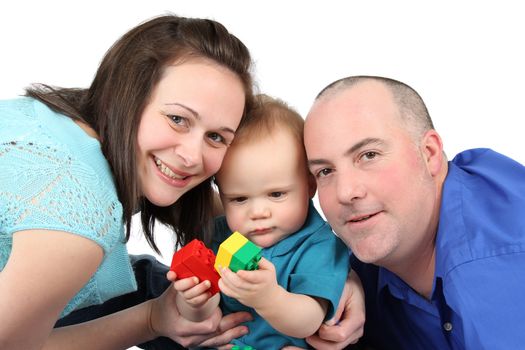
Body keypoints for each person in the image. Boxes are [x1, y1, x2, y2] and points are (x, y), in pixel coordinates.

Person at [0, 14, 256, 349]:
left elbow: (245, 208)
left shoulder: (66, 120)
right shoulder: (75, 226)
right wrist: (149, 321)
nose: (192, 156)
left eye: (216, 137)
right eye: (178, 119)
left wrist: (334, 270)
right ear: (128, 97)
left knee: (173, 289)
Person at [303, 75, 525, 349]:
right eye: (325, 171)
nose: (345, 192)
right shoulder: (362, 266)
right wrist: (339, 280)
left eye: (369, 155)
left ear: (429, 153)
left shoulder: (503, 254)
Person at [172, 94, 350, 348]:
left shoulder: (319, 245)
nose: (258, 212)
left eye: (276, 194)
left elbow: (310, 321)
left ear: (310, 185)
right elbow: (200, 320)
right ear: (221, 193)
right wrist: (194, 301)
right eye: (240, 199)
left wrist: (269, 298)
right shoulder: (217, 236)